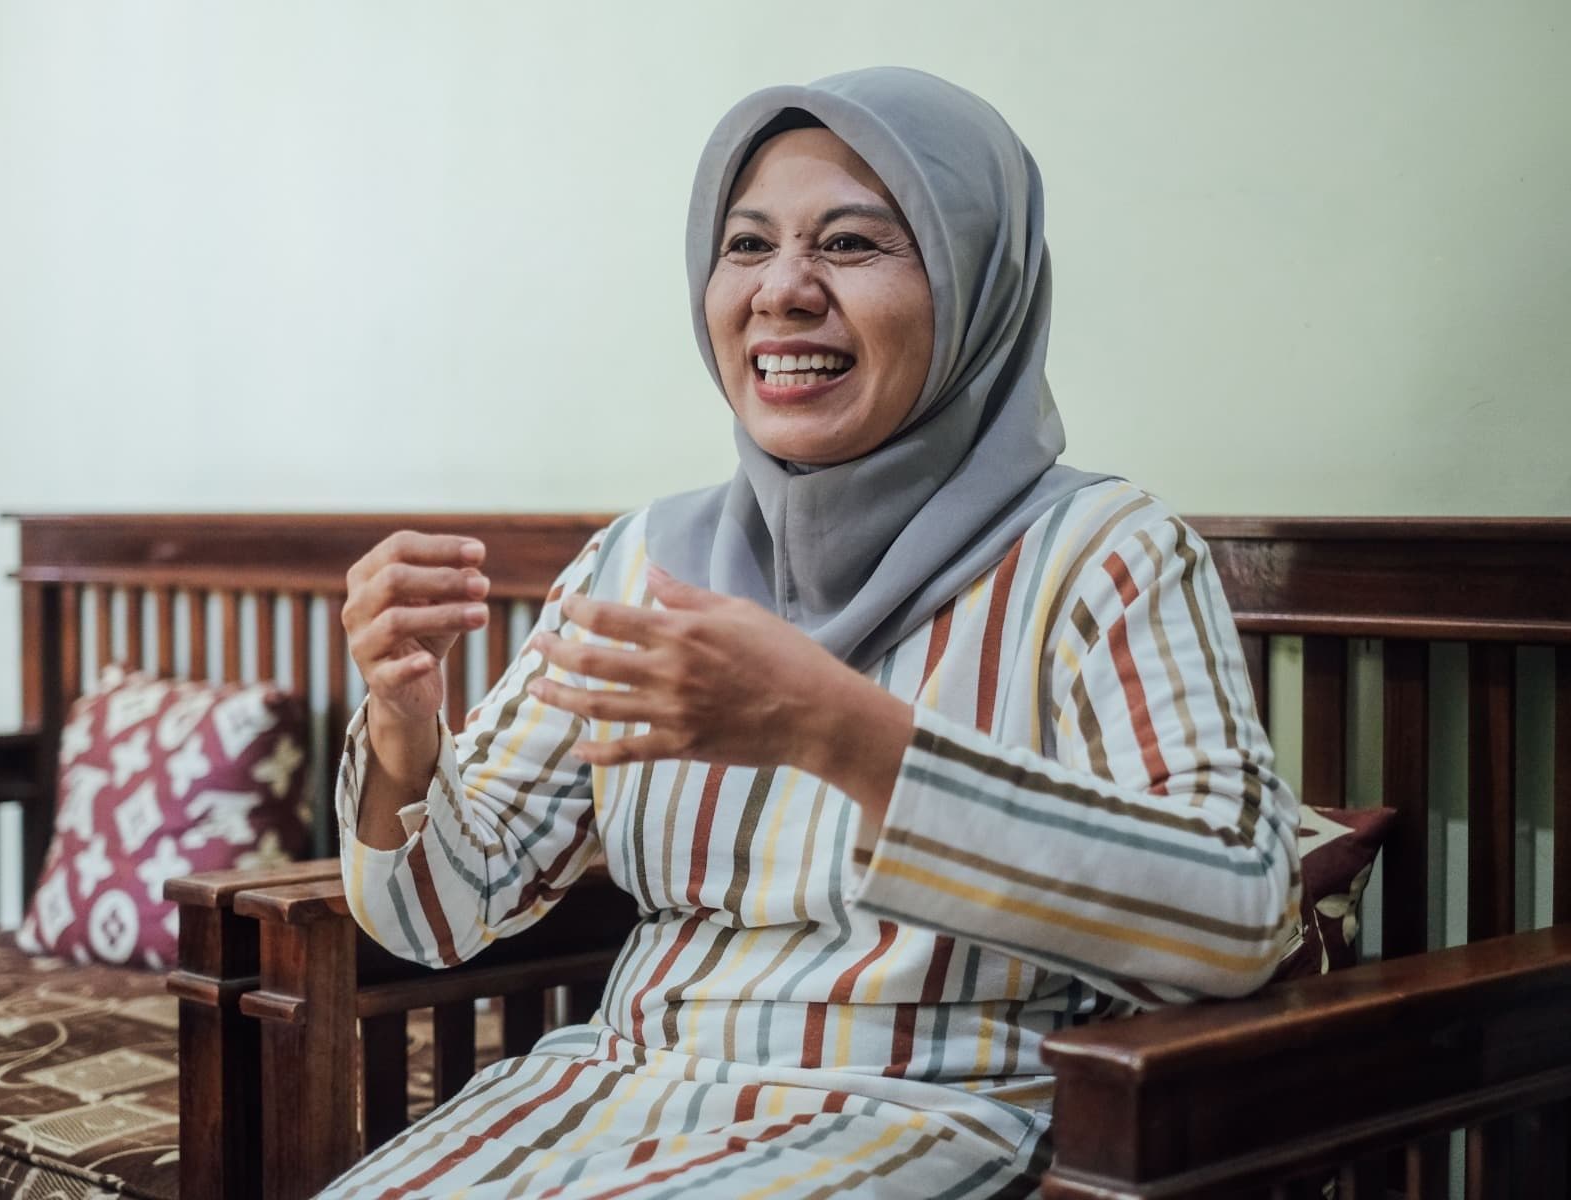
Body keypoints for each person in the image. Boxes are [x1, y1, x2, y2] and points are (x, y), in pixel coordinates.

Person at [322, 66, 1299, 1199]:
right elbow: (438, 913)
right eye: (746, 246)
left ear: (979, 285)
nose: (782, 291)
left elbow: (1239, 916)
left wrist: (839, 729)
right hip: (612, 1094)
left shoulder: (1099, 553)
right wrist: (404, 724)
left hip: (922, 1114)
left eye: (852, 244)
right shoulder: (644, 561)